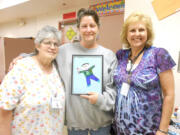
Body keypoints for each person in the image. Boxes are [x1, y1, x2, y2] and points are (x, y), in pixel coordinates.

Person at [8, 8, 117, 135]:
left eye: (92, 26)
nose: (88, 30)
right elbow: (45, 53)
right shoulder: (65, 51)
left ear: (98, 27)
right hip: (75, 125)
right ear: (78, 28)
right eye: (84, 26)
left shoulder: (109, 55)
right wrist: (23, 56)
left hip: (102, 124)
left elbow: (113, 92)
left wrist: (99, 99)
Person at [113, 12, 176, 135]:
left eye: (141, 30)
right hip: (119, 128)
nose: (137, 34)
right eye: (132, 30)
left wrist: (163, 130)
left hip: (148, 129)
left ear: (148, 33)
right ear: (126, 34)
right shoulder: (120, 55)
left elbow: (169, 94)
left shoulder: (159, 55)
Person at [0, 26, 65, 135]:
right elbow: (3, 112)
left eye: (56, 44)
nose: (52, 47)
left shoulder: (57, 69)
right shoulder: (21, 68)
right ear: (37, 45)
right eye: (47, 43)